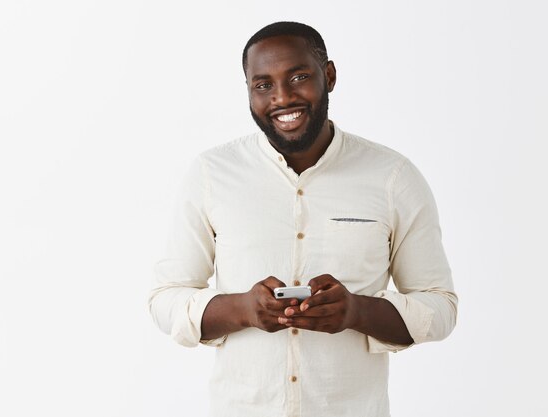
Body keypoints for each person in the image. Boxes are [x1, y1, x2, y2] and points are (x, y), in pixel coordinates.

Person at [149, 21, 457, 417]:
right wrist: (243, 309)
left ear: (328, 76)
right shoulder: (211, 174)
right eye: (263, 85)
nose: (282, 97)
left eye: (298, 77)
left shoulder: (393, 177)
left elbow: (440, 307)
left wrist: (356, 312)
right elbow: (165, 299)